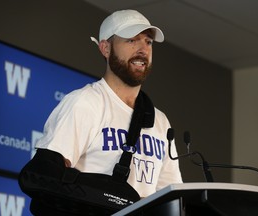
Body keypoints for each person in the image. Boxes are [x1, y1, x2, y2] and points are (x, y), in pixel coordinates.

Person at [21, 9, 182, 213]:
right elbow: (45, 175)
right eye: (132, 40)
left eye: (148, 42)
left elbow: (171, 195)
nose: (143, 49)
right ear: (105, 48)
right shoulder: (86, 102)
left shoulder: (160, 120)